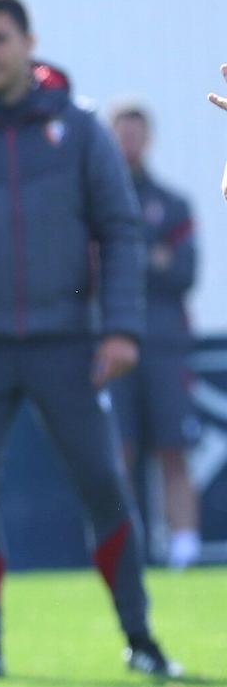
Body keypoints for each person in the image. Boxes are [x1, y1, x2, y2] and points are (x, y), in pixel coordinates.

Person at [0, 0, 181, 681]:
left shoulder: (81, 130)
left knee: (103, 484)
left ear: (29, 42)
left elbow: (120, 232)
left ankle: (140, 639)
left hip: (67, 344)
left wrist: (119, 330)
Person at [106, 101, 203, 570]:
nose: (129, 142)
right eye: (121, 133)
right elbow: (95, 268)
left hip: (165, 345)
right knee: (119, 450)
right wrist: (151, 255)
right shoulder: (97, 203)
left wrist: (135, 259)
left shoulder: (173, 202)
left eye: (136, 133)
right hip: (112, 340)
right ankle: (128, 547)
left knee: (173, 448)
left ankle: (184, 548)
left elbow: (183, 270)